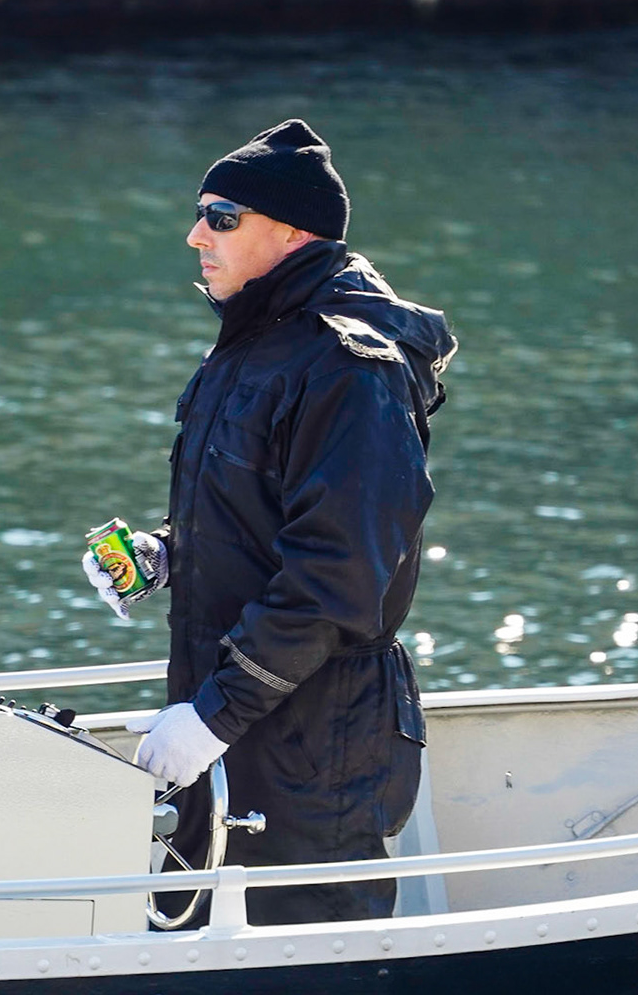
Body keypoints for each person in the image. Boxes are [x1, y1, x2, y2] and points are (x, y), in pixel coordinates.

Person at [82, 119, 456, 925]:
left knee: (306, 977)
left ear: (292, 232)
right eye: (200, 214)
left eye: (221, 218)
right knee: (199, 946)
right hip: (231, 715)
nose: (195, 236)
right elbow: (265, 514)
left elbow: (337, 575)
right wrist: (167, 552)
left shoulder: (352, 368)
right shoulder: (254, 344)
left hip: (317, 739)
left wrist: (214, 716)